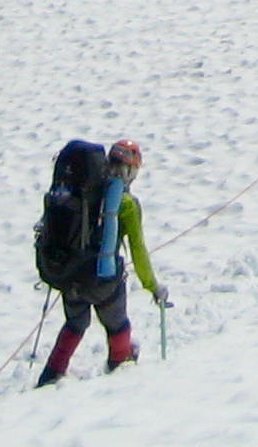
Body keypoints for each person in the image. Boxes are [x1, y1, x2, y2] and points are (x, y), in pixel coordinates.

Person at [37, 136, 168, 386]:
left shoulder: (84, 193)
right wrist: (153, 286)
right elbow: (138, 250)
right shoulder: (126, 203)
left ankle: (52, 373)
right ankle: (120, 367)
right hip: (103, 280)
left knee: (75, 323)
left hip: (70, 271)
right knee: (117, 324)